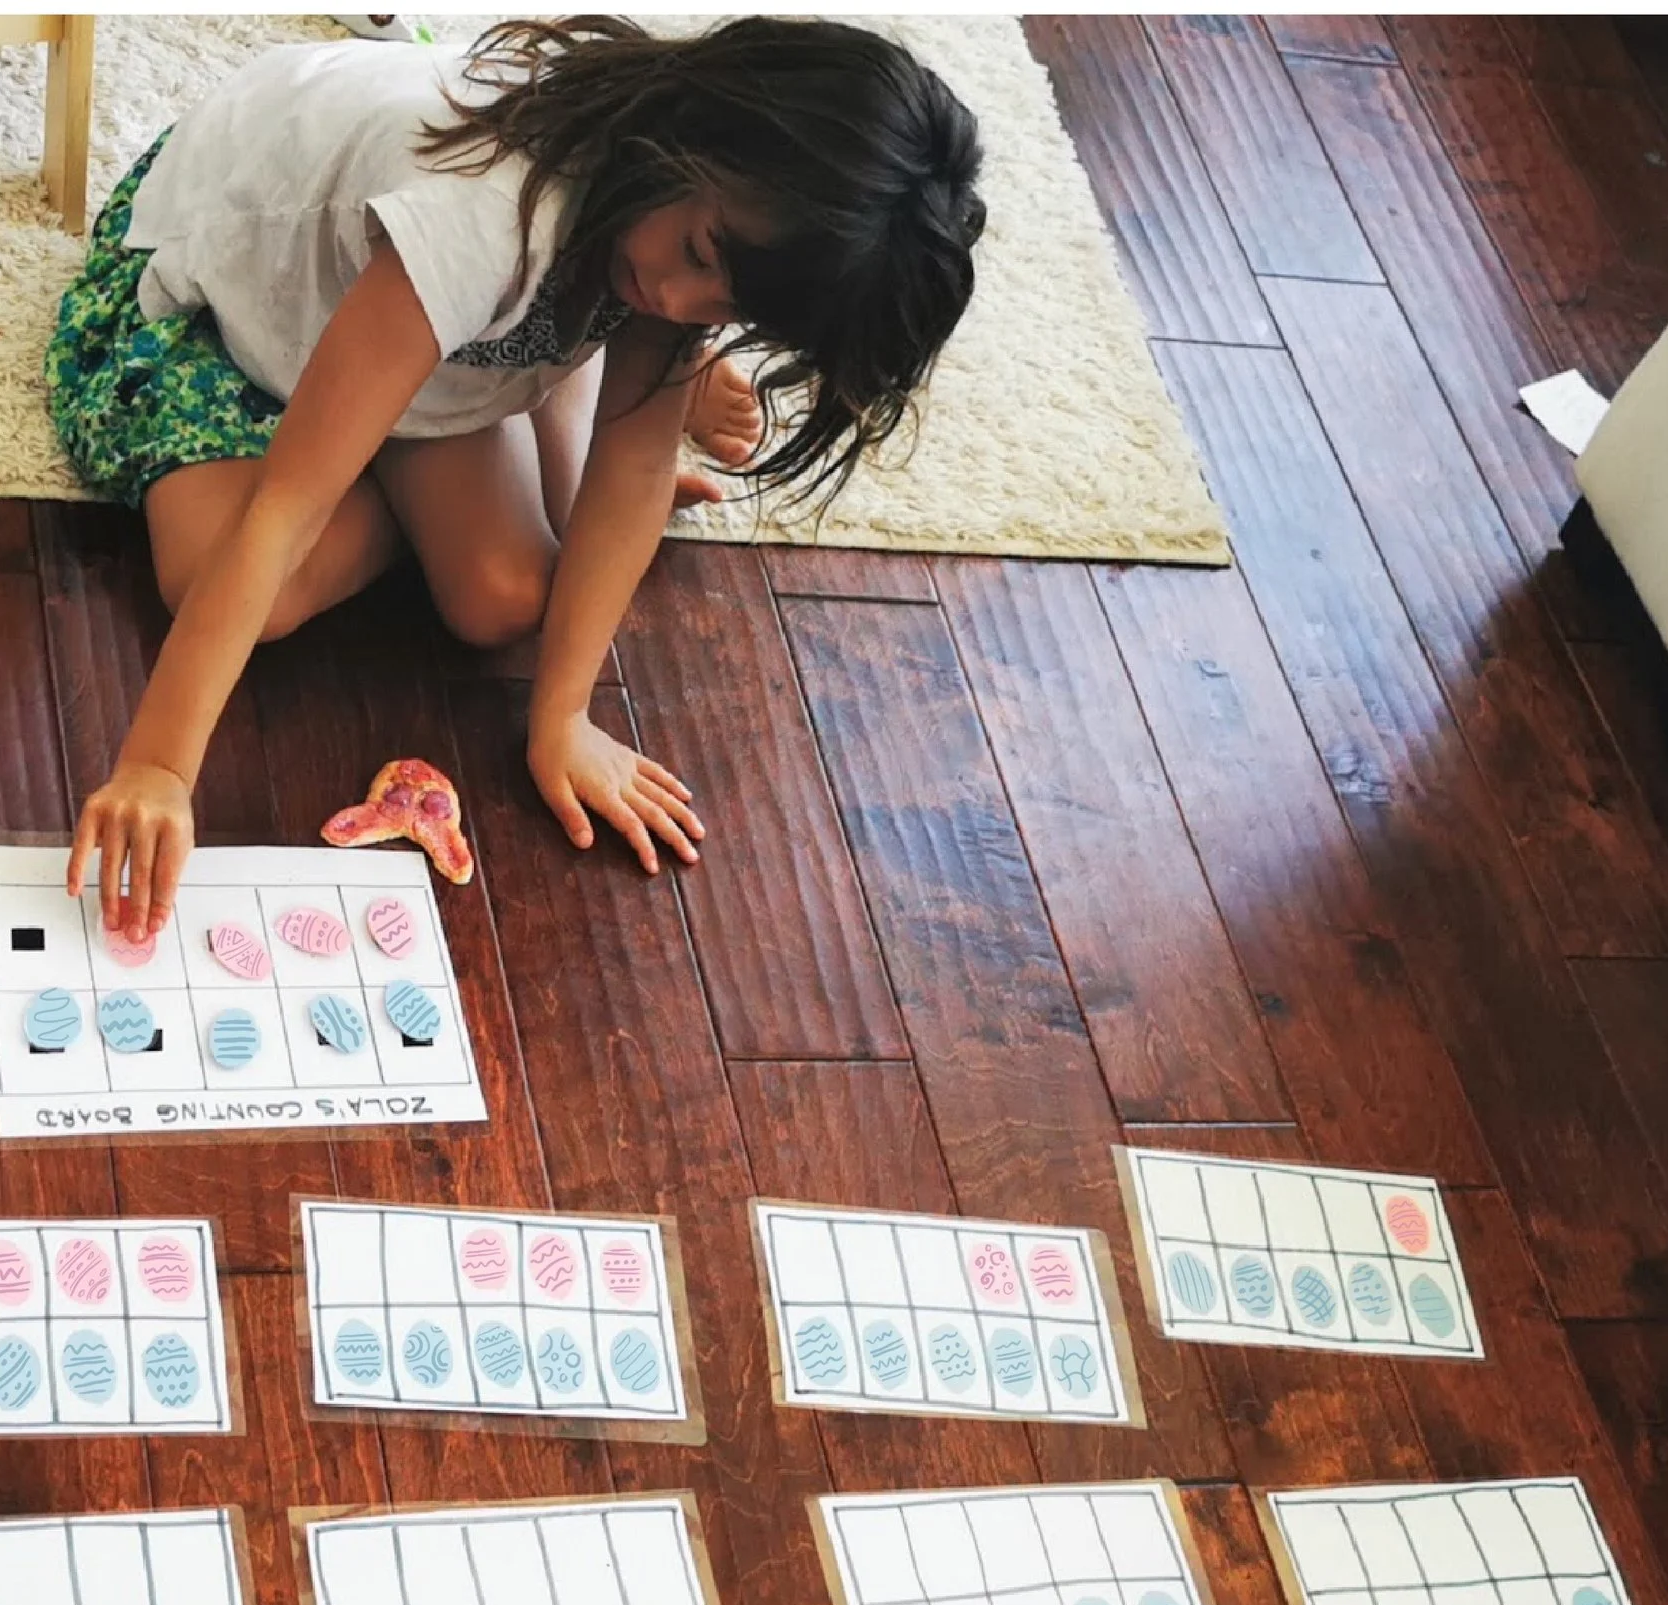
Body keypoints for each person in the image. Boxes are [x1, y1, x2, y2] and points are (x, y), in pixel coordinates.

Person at [48, 15, 986, 941]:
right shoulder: (484, 208)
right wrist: (159, 769)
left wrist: (564, 718)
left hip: (441, 337)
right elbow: (289, 505)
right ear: (692, 130)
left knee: (507, 599)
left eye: (728, 306)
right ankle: (469, 400)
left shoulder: (680, 227)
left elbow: (636, 466)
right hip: (234, 274)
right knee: (253, 586)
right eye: (699, 258)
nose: (675, 301)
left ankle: (559, 382)